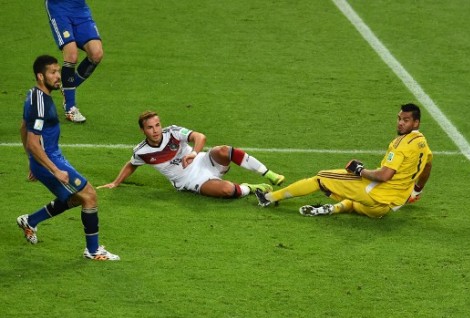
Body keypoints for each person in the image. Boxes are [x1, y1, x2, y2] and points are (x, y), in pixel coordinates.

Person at [17, 55, 119, 261]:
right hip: (51, 161)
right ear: (40, 76)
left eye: (57, 71)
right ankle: (93, 250)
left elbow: (23, 128)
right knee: (89, 195)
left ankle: (31, 221)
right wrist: (52, 169)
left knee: (75, 198)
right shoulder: (40, 105)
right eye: (52, 73)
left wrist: (32, 159)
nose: (58, 76)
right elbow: (32, 142)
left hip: (48, 158)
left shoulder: (36, 95)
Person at [255, 103, 433, 218]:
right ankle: (335, 208)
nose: (400, 123)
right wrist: (416, 190)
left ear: (416, 123)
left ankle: (269, 198)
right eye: (399, 118)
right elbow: (428, 165)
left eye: (406, 120)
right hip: (388, 205)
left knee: (321, 178)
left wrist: (359, 170)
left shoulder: (400, 144)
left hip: (374, 192)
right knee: (360, 205)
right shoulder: (422, 143)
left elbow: (385, 175)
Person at [98, 111, 285, 200]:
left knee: (224, 150)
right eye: (150, 127)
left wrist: (194, 153)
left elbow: (199, 136)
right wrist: (116, 182)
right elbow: (132, 164)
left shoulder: (172, 132)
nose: (155, 130)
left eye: (157, 125)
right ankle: (250, 188)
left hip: (202, 160)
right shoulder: (142, 151)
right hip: (189, 180)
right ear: (142, 130)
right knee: (228, 191)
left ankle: (269, 174)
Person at [45, 0, 104, 123]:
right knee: (71, 55)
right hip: (59, 8)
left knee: (96, 54)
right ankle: (70, 108)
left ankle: (67, 87)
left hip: (79, 8)